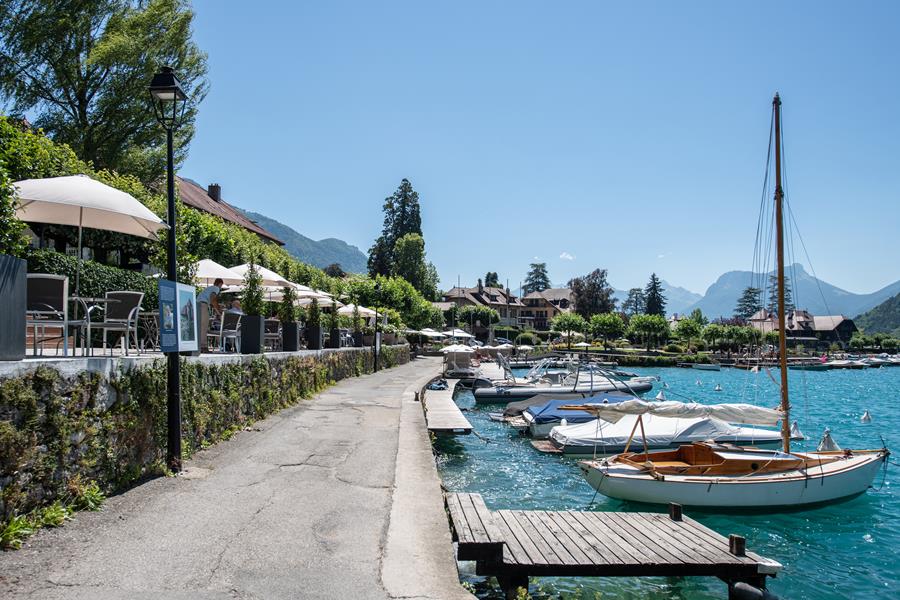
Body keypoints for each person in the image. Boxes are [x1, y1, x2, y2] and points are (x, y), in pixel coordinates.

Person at [197, 278, 223, 352]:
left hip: (198, 304)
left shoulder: (209, 288)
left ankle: (200, 346)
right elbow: (213, 299)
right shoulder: (216, 288)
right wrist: (218, 311)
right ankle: (203, 347)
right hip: (203, 305)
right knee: (204, 327)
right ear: (220, 284)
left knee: (200, 327)